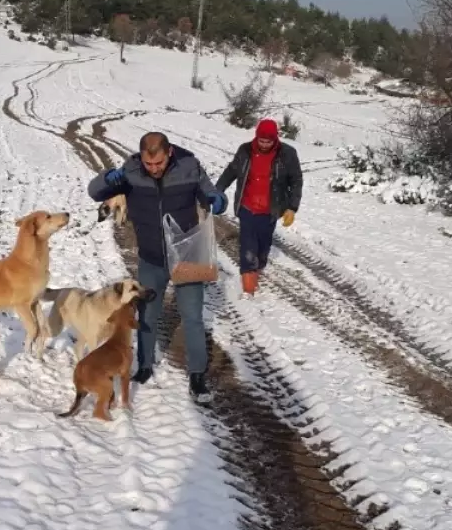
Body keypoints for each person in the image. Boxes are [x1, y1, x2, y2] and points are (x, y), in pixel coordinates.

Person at [88, 132, 227, 398]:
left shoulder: (189, 167)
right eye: (148, 164)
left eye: (158, 163)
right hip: (151, 256)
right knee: (147, 315)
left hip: (187, 255)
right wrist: (108, 179)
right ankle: (145, 366)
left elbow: (211, 192)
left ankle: (197, 376)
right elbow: (95, 193)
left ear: (169, 153)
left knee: (193, 317)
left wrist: (217, 200)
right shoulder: (131, 171)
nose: (153, 169)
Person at [214, 117, 303, 295]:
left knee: (263, 244)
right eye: (261, 140)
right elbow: (232, 170)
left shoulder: (287, 154)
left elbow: (296, 181)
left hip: (270, 208)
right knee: (247, 244)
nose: (264, 144)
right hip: (247, 206)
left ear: (275, 139)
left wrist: (292, 207)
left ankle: (259, 265)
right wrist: (218, 190)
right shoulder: (245, 150)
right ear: (256, 137)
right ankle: (248, 282)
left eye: (268, 141)